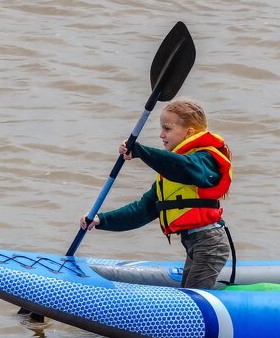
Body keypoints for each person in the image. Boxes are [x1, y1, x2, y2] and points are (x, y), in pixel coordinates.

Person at [80, 99, 233, 289]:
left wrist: (140, 151)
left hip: (210, 245)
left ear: (190, 132)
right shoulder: (169, 175)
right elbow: (143, 210)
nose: (161, 135)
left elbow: (183, 167)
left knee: (192, 303)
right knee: (186, 294)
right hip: (195, 244)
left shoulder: (204, 160)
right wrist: (101, 220)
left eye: (167, 129)